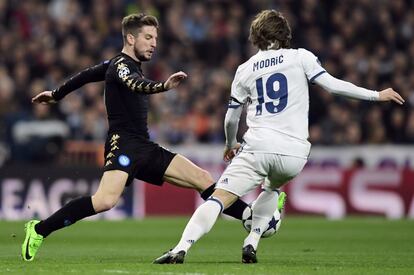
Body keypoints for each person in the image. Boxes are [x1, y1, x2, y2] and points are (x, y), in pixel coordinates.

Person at [153, 9, 405, 264]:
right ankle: (251, 242)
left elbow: (231, 118)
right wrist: (376, 94)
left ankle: (181, 248)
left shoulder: (244, 69)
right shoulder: (300, 57)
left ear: (255, 36)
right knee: (272, 187)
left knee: (219, 198)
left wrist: (231, 144)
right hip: (294, 153)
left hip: (258, 146)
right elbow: (333, 85)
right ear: (285, 35)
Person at [22, 13, 255, 262]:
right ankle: (37, 230)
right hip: (122, 145)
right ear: (131, 38)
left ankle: (251, 217)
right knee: (104, 201)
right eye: (148, 37)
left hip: (143, 146)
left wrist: (57, 94)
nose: (154, 43)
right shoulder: (122, 66)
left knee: (202, 178)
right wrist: (162, 86)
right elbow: (135, 84)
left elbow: (86, 75)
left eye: (155, 37)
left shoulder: (117, 64)